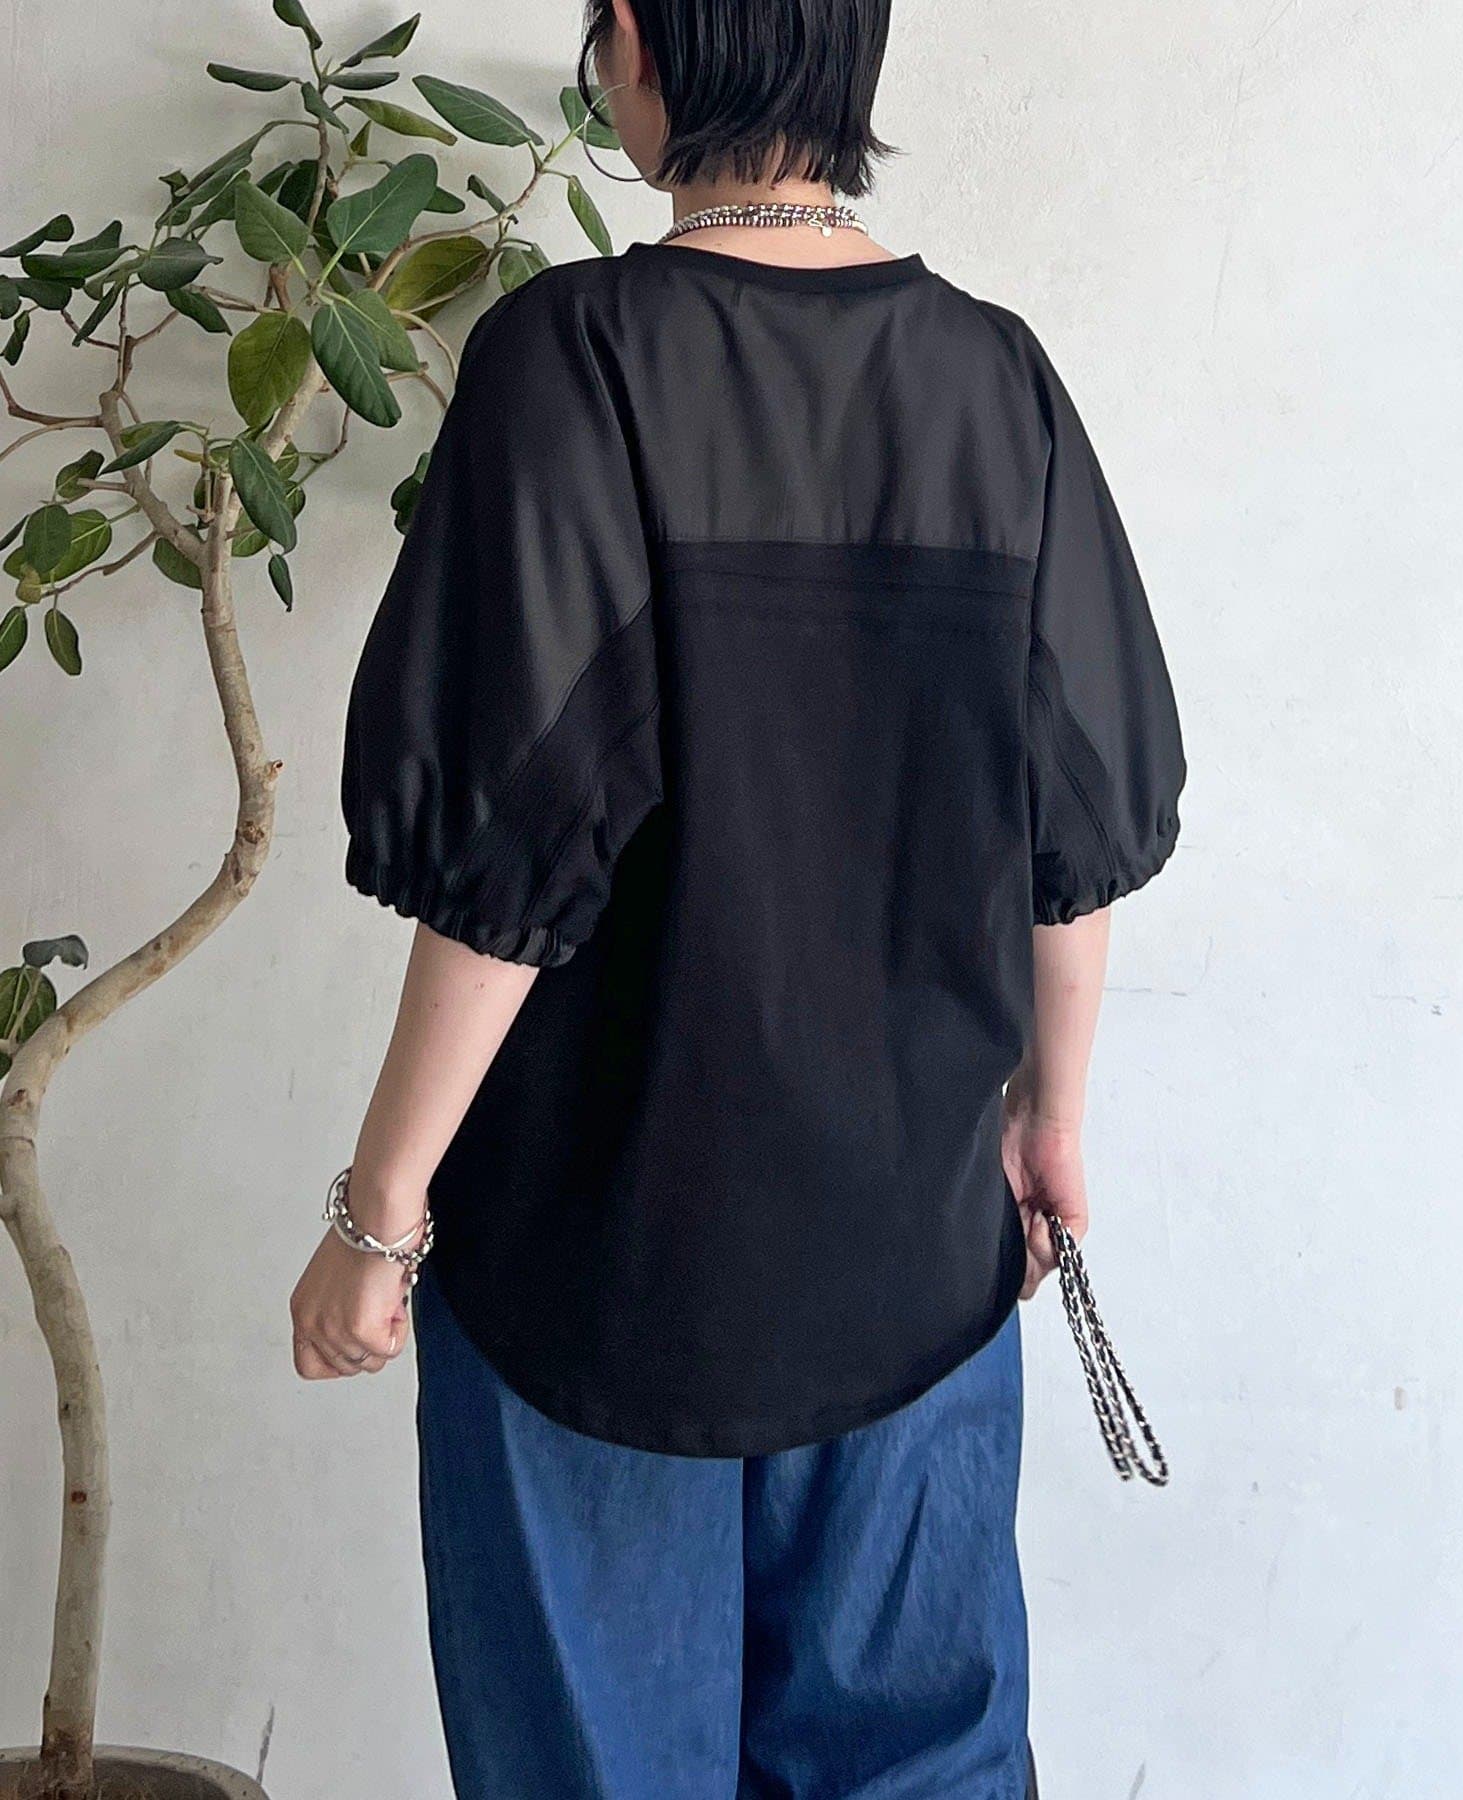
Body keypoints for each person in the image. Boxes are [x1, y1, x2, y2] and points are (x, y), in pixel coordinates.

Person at [290, 0, 1186, 1793]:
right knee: (920, 1769)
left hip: (596, 1274)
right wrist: (1051, 1125)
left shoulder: (577, 358)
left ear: (636, 43)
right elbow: (1077, 820)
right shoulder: (996, 381)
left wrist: (379, 1217)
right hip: (914, 1254)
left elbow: (507, 851)